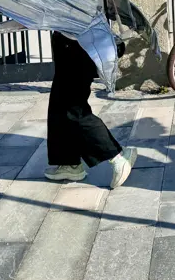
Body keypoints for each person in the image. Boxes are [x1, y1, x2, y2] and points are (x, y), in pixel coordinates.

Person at [45, 31, 138, 185]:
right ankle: (69, 163)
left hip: (77, 42)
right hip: (71, 40)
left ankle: (118, 156)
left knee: (73, 109)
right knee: (59, 106)